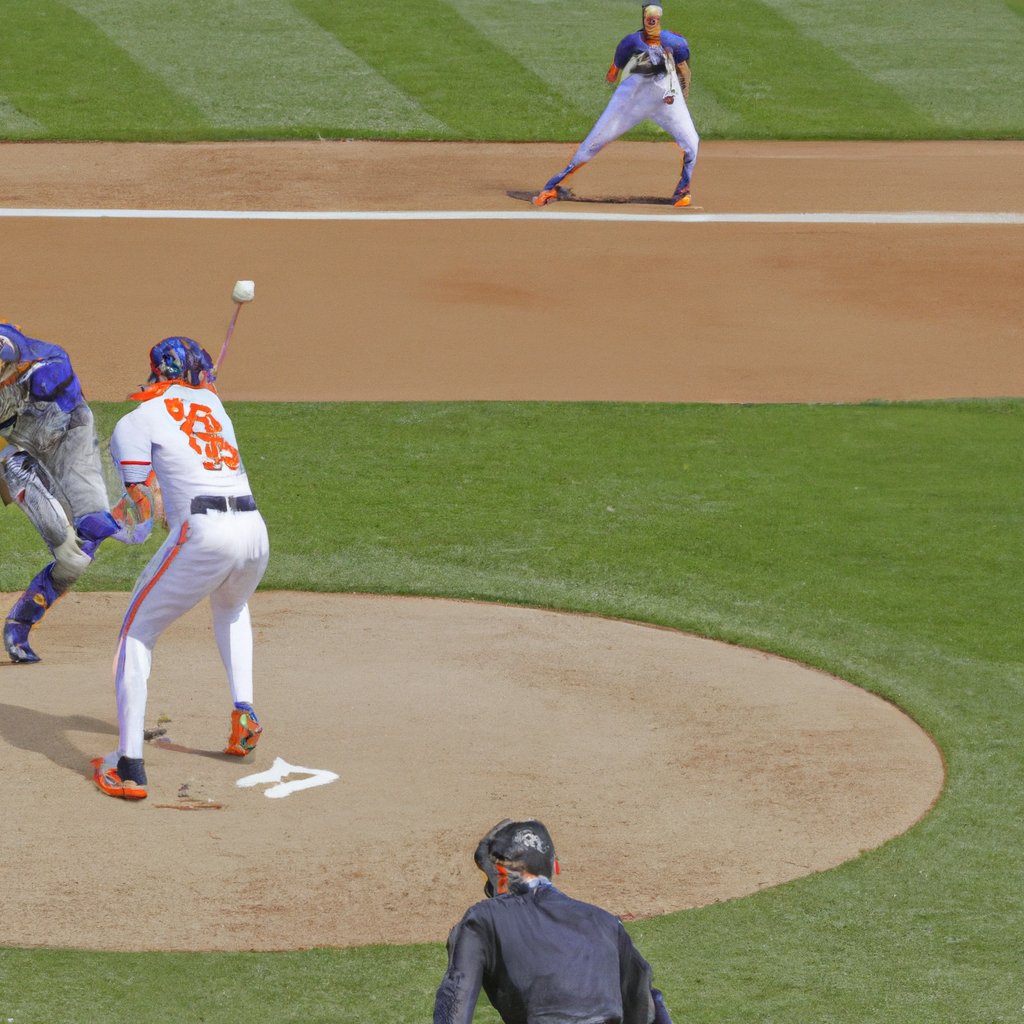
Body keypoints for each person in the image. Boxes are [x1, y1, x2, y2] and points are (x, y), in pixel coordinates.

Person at [92, 337, 270, 800]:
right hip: (254, 532)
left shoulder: (135, 421)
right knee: (231, 609)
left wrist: (100, 525)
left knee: (136, 634)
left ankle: (129, 767)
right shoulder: (216, 407)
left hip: (205, 533)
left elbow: (140, 509)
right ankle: (244, 712)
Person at [434, 819, 673, 1024]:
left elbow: (455, 999)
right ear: (553, 867)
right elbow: (648, 1003)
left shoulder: (483, 919)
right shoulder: (606, 922)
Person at [0, 320, 138, 664]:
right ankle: (20, 625)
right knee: (12, 466)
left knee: (83, 544)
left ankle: (21, 618)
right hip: (17, 450)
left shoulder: (49, 368)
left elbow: (54, 414)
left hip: (69, 439)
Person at [532, 4, 698, 208]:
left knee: (691, 142)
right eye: (649, 17)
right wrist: (618, 70)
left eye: (655, 17)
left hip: (665, 99)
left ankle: (683, 190)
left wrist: (680, 84)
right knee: (596, 141)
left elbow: (682, 65)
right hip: (632, 98)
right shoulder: (631, 42)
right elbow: (614, 71)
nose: (652, 21)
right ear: (645, 18)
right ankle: (552, 186)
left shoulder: (674, 41)